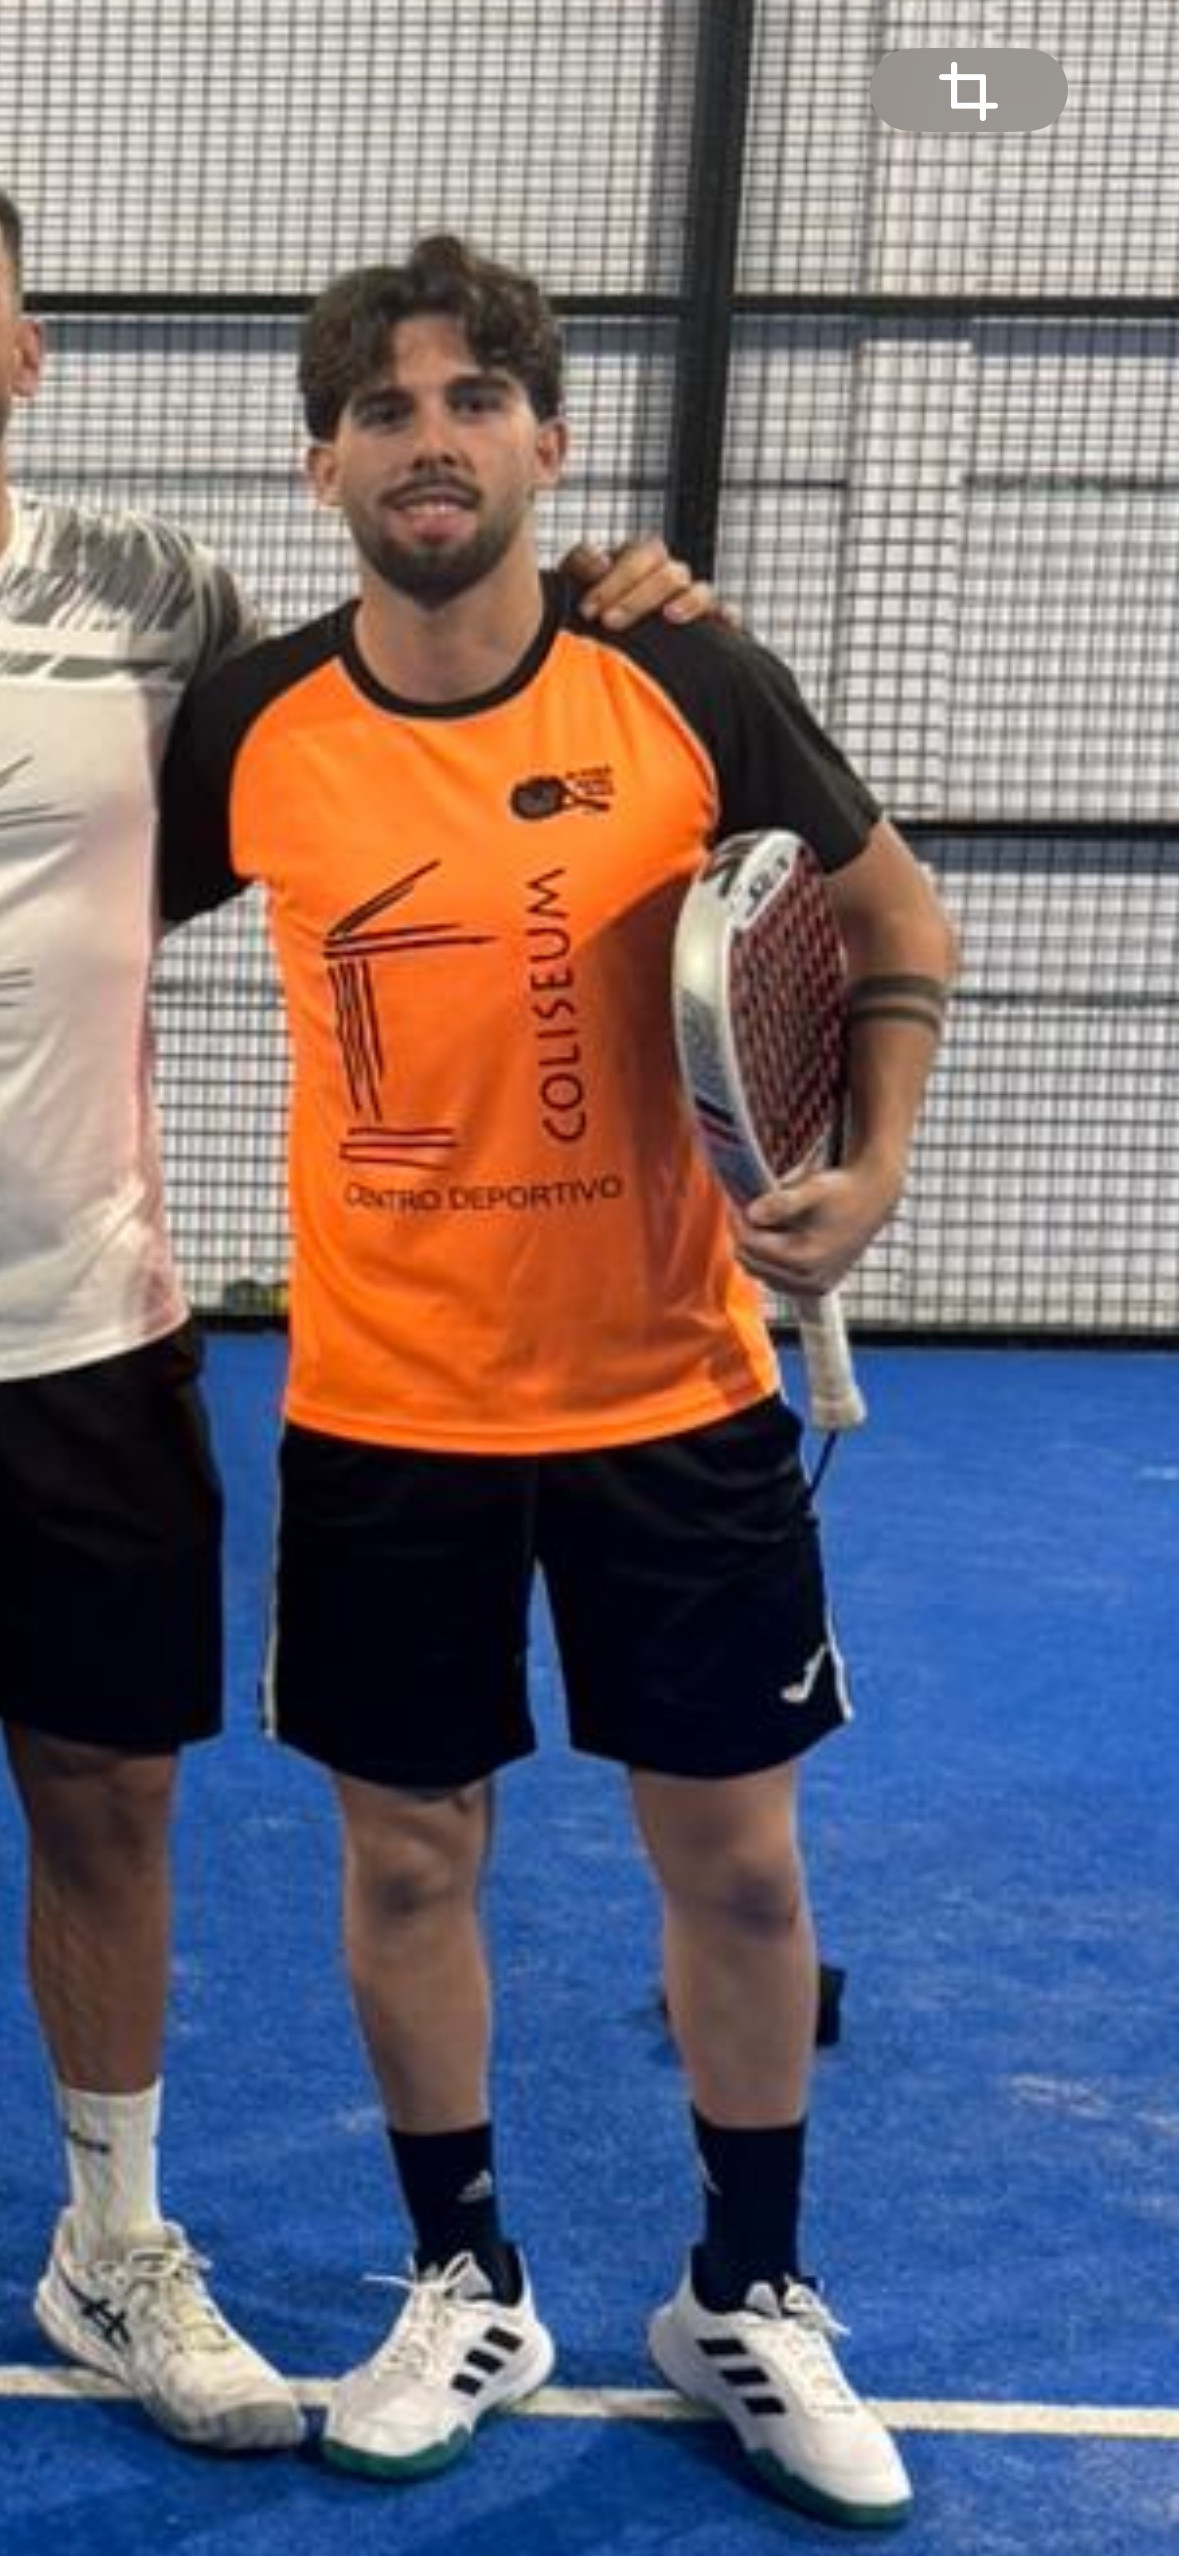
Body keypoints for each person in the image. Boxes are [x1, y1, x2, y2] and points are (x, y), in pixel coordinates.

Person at [158, 232, 957, 2527]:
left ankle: (745, 2295)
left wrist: (870, 1171)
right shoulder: (251, 727)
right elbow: (66, 912)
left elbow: (896, 922)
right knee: (410, 1860)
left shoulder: (680, 674)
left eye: (472, 400)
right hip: (382, 1412)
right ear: (320, 467)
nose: (431, 441)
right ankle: (465, 2282)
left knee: (738, 1870)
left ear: (548, 440)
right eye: (383, 409)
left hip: (670, 1399)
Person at [0, 185, 712, 2453]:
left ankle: (113, 2242)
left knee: (108, 1793)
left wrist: (608, 606)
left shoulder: (148, 603)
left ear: (23, 350)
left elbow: (411, 677)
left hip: (75, 1331)